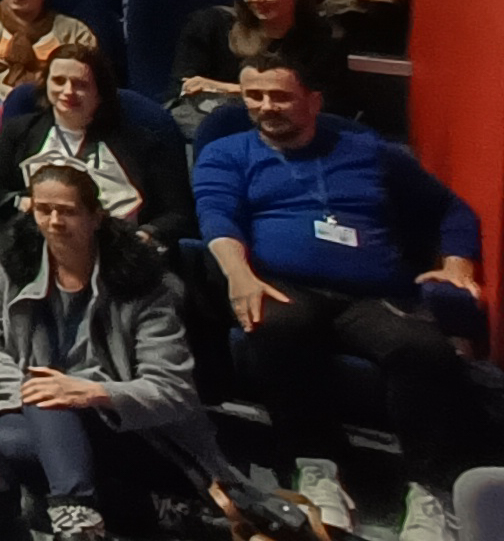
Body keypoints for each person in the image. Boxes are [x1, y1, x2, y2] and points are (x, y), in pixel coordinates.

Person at [197, 54, 485, 537]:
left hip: (371, 292)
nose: (267, 106)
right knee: (277, 327)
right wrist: (238, 274)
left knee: (424, 350)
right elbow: (217, 216)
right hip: (283, 282)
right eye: (254, 96)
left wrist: (456, 265)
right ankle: (315, 469)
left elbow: (451, 210)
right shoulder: (228, 152)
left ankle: (429, 492)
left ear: (314, 101)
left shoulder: (369, 151)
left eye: (281, 96)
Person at [0, 160, 213, 541]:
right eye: (44, 210)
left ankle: (80, 513)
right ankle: (112, 513)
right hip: (26, 404)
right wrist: (31, 393)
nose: (54, 222)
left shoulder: (142, 281)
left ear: (96, 217)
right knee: (15, 433)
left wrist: (88, 392)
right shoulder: (3, 260)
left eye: (68, 211)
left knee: (42, 413)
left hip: (120, 419)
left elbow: (172, 388)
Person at [0, 45, 196, 252]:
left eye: (80, 84)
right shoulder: (18, 132)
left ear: (100, 92)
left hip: (120, 254)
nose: (68, 92)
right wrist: (20, 202)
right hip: (35, 249)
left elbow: (178, 213)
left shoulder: (142, 144)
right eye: (58, 81)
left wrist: (145, 236)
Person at [168, 0, 346, 138]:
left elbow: (324, 103)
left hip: (294, 132)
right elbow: (186, 86)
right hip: (220, 128)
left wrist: (228, 88)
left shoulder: (322, 37)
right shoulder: (211, 23)